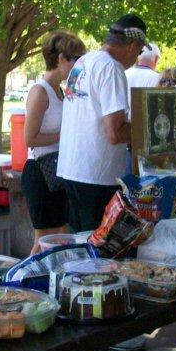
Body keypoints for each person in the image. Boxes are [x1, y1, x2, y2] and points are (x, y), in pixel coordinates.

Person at [58, 13, 146, 232]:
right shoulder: (112, 68)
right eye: (140, 51)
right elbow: (115, 132)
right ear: (133, 45)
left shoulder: (84, 61)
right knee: (96, 251)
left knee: (80, 245)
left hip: (72, 169)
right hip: (96, 176)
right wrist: (149, 131)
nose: (137, 58)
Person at [22, 31, 86, 254]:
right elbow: (29, 139)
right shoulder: (41, 91)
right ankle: (25, 284)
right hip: (41, 172)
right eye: (77, 59)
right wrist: (65, 134)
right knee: (43, 241)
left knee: (61, 235)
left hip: (60, 170)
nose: (80, 64)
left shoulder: (63, 90)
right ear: (61, 59)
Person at [125, 42, 161, 111]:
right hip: (145, 120)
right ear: (156, 59)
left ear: (138, 57)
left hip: (122, 120)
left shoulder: (123, 74)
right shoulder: (159, 79)